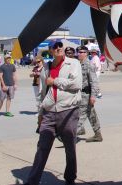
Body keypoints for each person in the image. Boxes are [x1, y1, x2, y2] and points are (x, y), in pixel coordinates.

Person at [26, 40, 82, 185]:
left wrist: (55, 81)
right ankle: (32, 180)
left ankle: (70, 177)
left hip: (68, 110)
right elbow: (43, 92)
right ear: (50, 51)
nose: (58, 48)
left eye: (59, 46)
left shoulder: (73, 63)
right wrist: (40, 113)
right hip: (49, 111)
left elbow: (76, 84)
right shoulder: (46, 67)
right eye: (55, 47)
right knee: (42, 147)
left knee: (70, 146)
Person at [76, 45, 103, 143]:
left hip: (86, 94)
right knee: (91, 114)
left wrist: (93, 96)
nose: (79, 53)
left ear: (87, 53)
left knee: (80, 114)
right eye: (78, 51)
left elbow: (94, 81)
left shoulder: (89, 65)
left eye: (82, 52)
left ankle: (71, 135)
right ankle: (98, 134)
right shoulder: (79, 64)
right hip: (80, 93)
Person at [0, 53, 17, 118]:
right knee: (1, 99)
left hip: (11, 85)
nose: (9, 59)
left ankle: (7, 111)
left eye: (9, 58)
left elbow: (14, 75)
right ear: (5, 59)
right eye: (7, 58)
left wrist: (15, 84)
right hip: (5, 85)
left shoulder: (12, 66)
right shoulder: (2, 67)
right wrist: (3, 85)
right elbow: (0, 77)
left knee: (9, 98)